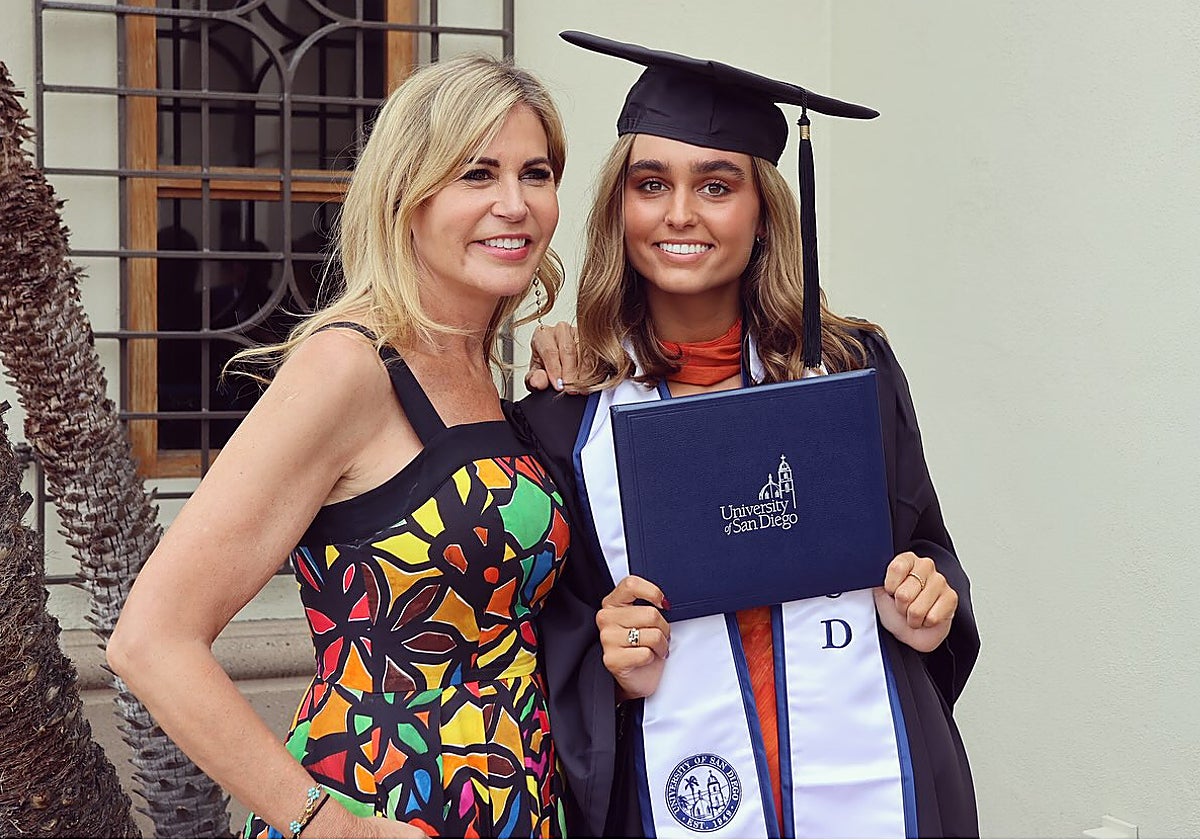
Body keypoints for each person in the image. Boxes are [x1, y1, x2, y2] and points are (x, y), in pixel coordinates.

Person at [517, 32, 979, 838]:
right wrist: (609, 669)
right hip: (667, 783)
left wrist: (927, 605)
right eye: (651, 183)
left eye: (717, 185)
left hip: (870, 759)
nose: (680, 214)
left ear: (764, 210)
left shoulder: (848, 370)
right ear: (618, 207)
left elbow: (924, 547)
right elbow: (549, 633)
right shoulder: (567, 411)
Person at [109, 55, 572, 839]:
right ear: (406, 195)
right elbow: (149, 639)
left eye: (536, 173)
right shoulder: (347, 367)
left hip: (515, 803)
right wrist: (330, 827)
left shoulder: (480, 363)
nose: (514, 204)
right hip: (385, 806)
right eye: (476, 174)